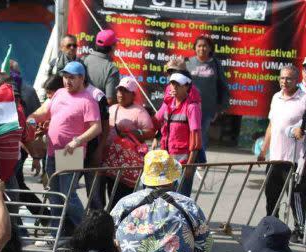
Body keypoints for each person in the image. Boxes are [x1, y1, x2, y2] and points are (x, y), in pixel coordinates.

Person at [27, 61, 101, 238]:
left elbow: (96, 127)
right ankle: (57, 234)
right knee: (54, 195)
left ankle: (86, 233)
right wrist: (31, 119)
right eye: (65, 77)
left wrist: (78, 141)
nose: (67, 81)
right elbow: (44, 111)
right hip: (52, 151)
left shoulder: (88, 100)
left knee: (68, 196)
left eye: (72, 78)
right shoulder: (59, 93)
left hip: (71, 152)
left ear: (81, 78)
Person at [258, 65, 306, 243]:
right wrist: (264, 150)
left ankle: (298, 230)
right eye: (282, 78)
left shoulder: (303, 99)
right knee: (271, 196)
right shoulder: (276, 97)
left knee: (296, 198)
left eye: (289, 79)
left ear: (297, 80)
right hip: (275, 158)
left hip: (294, 159)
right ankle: (272, 226)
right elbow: (272, 126)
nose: (285, 82)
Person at [106, 76, 156, 204]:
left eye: (125, 91)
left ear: (133, 94)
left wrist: (135, 133)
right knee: (111, 193)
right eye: (119, 90)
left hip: (129, 163)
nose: (120, 94)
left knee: (124, 195)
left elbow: (150, 132)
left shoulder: (139, 112)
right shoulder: (112, 109)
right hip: (111, 161)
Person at [154, 72, 202, 197]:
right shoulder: (168, 104)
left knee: (180, 198)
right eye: (172, 84)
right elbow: (157, 121)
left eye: (178, 85)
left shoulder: (192, 107)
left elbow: (195, 137)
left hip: (183, 162)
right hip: (166, 159)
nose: (173, 88)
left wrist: (190, 165)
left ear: (186, 86)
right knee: (165, 197)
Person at [187, 35, 230, 163]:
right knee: (190, 132)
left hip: (207, 107)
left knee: (201, 133)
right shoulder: (188, 62)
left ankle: (199, 160)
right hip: (189, 106)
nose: (202, 48)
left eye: (205, 46)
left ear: (210, 48)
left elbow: (222, 85)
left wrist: (220, 107)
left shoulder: (215, 64)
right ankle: (193, 158)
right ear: (195, 48)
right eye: (199, 46)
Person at [83, 29, 120, 106]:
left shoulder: (84, 60)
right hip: (98, 114)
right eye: (115, 44)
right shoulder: (111, 68)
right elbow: (110, 100)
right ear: (112, 47)